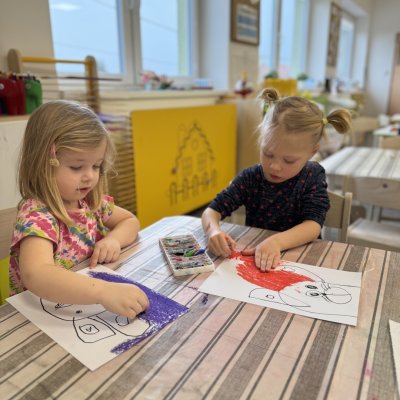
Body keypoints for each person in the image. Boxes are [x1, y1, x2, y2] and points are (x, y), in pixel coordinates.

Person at [9, 100, 149, 319]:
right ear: (43, 165)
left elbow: (130, 221)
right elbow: (36, 274)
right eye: (76, 167)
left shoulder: (90, 202)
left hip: (81, 305)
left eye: (96, 165)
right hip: (40, 315)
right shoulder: (37, 215)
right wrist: (103, 291)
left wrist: (113, 240)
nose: (90, 176)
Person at [202, 88, 352, 272]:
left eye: (288, 160)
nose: (274, 166)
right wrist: (213, 230)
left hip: (302, 262)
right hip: (256, 262)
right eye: (268, 153)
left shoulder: (312, 176)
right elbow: (212, 211)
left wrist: (276, 242)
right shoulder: (251, 178)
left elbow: (313, 225)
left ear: (312, 152)